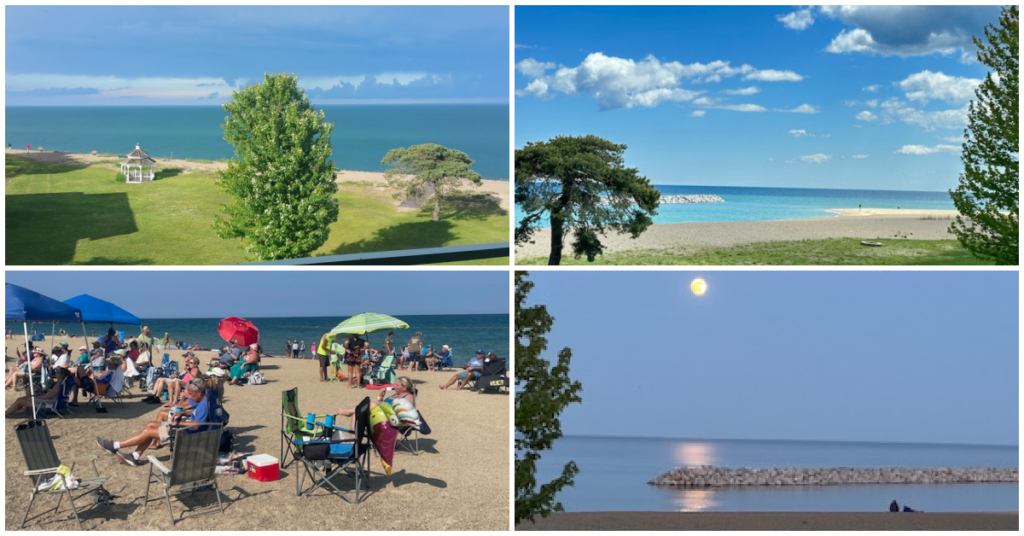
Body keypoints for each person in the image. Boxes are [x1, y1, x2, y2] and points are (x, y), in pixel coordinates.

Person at [96, 377, 210, 466]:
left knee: (150, 431)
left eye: (191, 394)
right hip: (182, 428)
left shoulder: (204, 405)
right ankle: (135, 456)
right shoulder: (204, 399)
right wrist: (184, 413)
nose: (189, 396)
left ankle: (115, 446)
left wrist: (178, 423)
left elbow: (196, 425)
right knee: (150, 424)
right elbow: (196, 414)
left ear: (199, 392)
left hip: (185, 432)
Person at [336, 376, 420, 432]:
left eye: (397, 385)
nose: (394, 386)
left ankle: (347, 412)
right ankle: (353, 443)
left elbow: (401, 413)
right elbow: (383, 405)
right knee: (356, 415)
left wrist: (382, 405)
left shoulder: (409, 397)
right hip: (381, 416)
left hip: (393, 421)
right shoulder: (396, 394)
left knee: (372, 404)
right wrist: (381, 396)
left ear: (404, 387)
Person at [6, 367, 74, 416]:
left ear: (61, 375)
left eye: (58, 372)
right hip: (50, 402)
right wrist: (41, 394)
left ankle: (6, 413)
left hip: (47, 404)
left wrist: (38, 396)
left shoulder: (58, 385)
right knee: (22, 399)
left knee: (20, 401)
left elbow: (48, 397)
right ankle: (10, 411)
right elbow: (51, 395)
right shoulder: (62, 383)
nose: (56, 374)